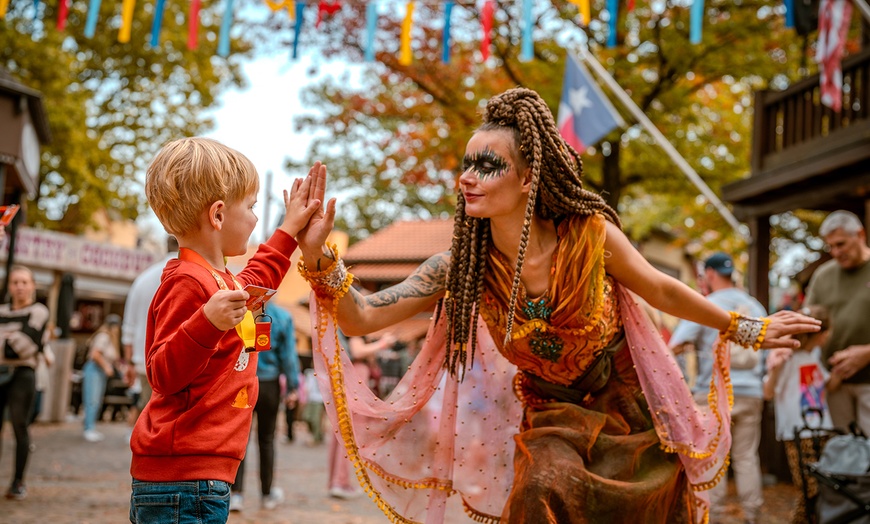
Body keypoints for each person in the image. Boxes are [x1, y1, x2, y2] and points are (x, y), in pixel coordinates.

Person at [294, 87, 821, 523]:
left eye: (486, 165)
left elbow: (660, 288)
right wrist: (318, 257)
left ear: (528, 179)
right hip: (548, 415)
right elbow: (361, 316)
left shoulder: (591, 237)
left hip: (629, 410)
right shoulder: (461, 265)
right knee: (540, 489)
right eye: (466, 164)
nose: (466, 178)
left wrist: (744, 325)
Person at [128, 137, 327, 524]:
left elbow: (257, 277)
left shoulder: (218, 280)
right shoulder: (188, 281)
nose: (255, 219)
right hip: (184, 479)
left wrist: (289, 230)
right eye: (251, 207)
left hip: (197, 477)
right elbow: (162, 373)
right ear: (218, 215)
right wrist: (206, 322)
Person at [668, 252, 768, 523]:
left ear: (710, 274)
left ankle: (716, 516)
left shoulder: (705, 305)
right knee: (747, 456)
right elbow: (767, 352)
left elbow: (674, 345)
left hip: (712, 394)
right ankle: (752, 515)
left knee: (713, 457)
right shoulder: (755, 306)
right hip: (751, 393)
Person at [763, 305, 834, 524]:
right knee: (808, 489)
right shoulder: (786, 356)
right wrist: (775, 368)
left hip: (821, 428)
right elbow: (767, 392)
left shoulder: (815, 355)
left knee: (820, 487)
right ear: (820, 333)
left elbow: (825, 384)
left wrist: (839, 370)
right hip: (798, 432)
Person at [229, 302, 300, 512]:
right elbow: (288, 357)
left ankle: (236, 494)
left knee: (240, 439)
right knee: (267, 439)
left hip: (243, 382)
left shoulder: (241, 311)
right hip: (269, 385)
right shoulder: (282, 316)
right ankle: (267, 494)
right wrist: (293, 386)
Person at [805, 210, 870, 435]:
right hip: (833, 381)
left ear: (860, 234)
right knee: (843, 455)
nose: (836, 252)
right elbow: (808, 320)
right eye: (831, 246)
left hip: (868, 382)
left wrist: (867, 353)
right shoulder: (823, 275)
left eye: (841, 244)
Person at [0, 265, 50, 500]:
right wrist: (10, 342)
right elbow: (13, 345)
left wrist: (8, 342)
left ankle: (18, 481)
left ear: (32, 285)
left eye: (24, 282)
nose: (19, 286)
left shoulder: (39, 311)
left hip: (23, 374)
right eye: (15, 282)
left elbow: (25, 345)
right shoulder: (2, 310)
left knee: (20, 426)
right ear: (9, 286)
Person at [122, 235, 179, 437]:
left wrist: (129, 362)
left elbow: (128, 326)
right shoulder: (186, 276)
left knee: (147, 409)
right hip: (174, 361)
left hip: (142, 360)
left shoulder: (143, 278)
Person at [327, 331, 395, 499]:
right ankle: (340, 482)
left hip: (347, 380)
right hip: (355, 382)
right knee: (350, 434)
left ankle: (336, 481)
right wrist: (383, 343)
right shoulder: (355, 332)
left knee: (341, 433)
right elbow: (358, 351)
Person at [82, 314, 122, 442]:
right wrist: (106, 367)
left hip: (100, 372)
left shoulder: (110, 339)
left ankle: (90, 427)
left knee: (97, 400)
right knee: (92, 400)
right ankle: (88, 429)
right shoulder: (103, 336)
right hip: (94, 369)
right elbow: (95, 355)